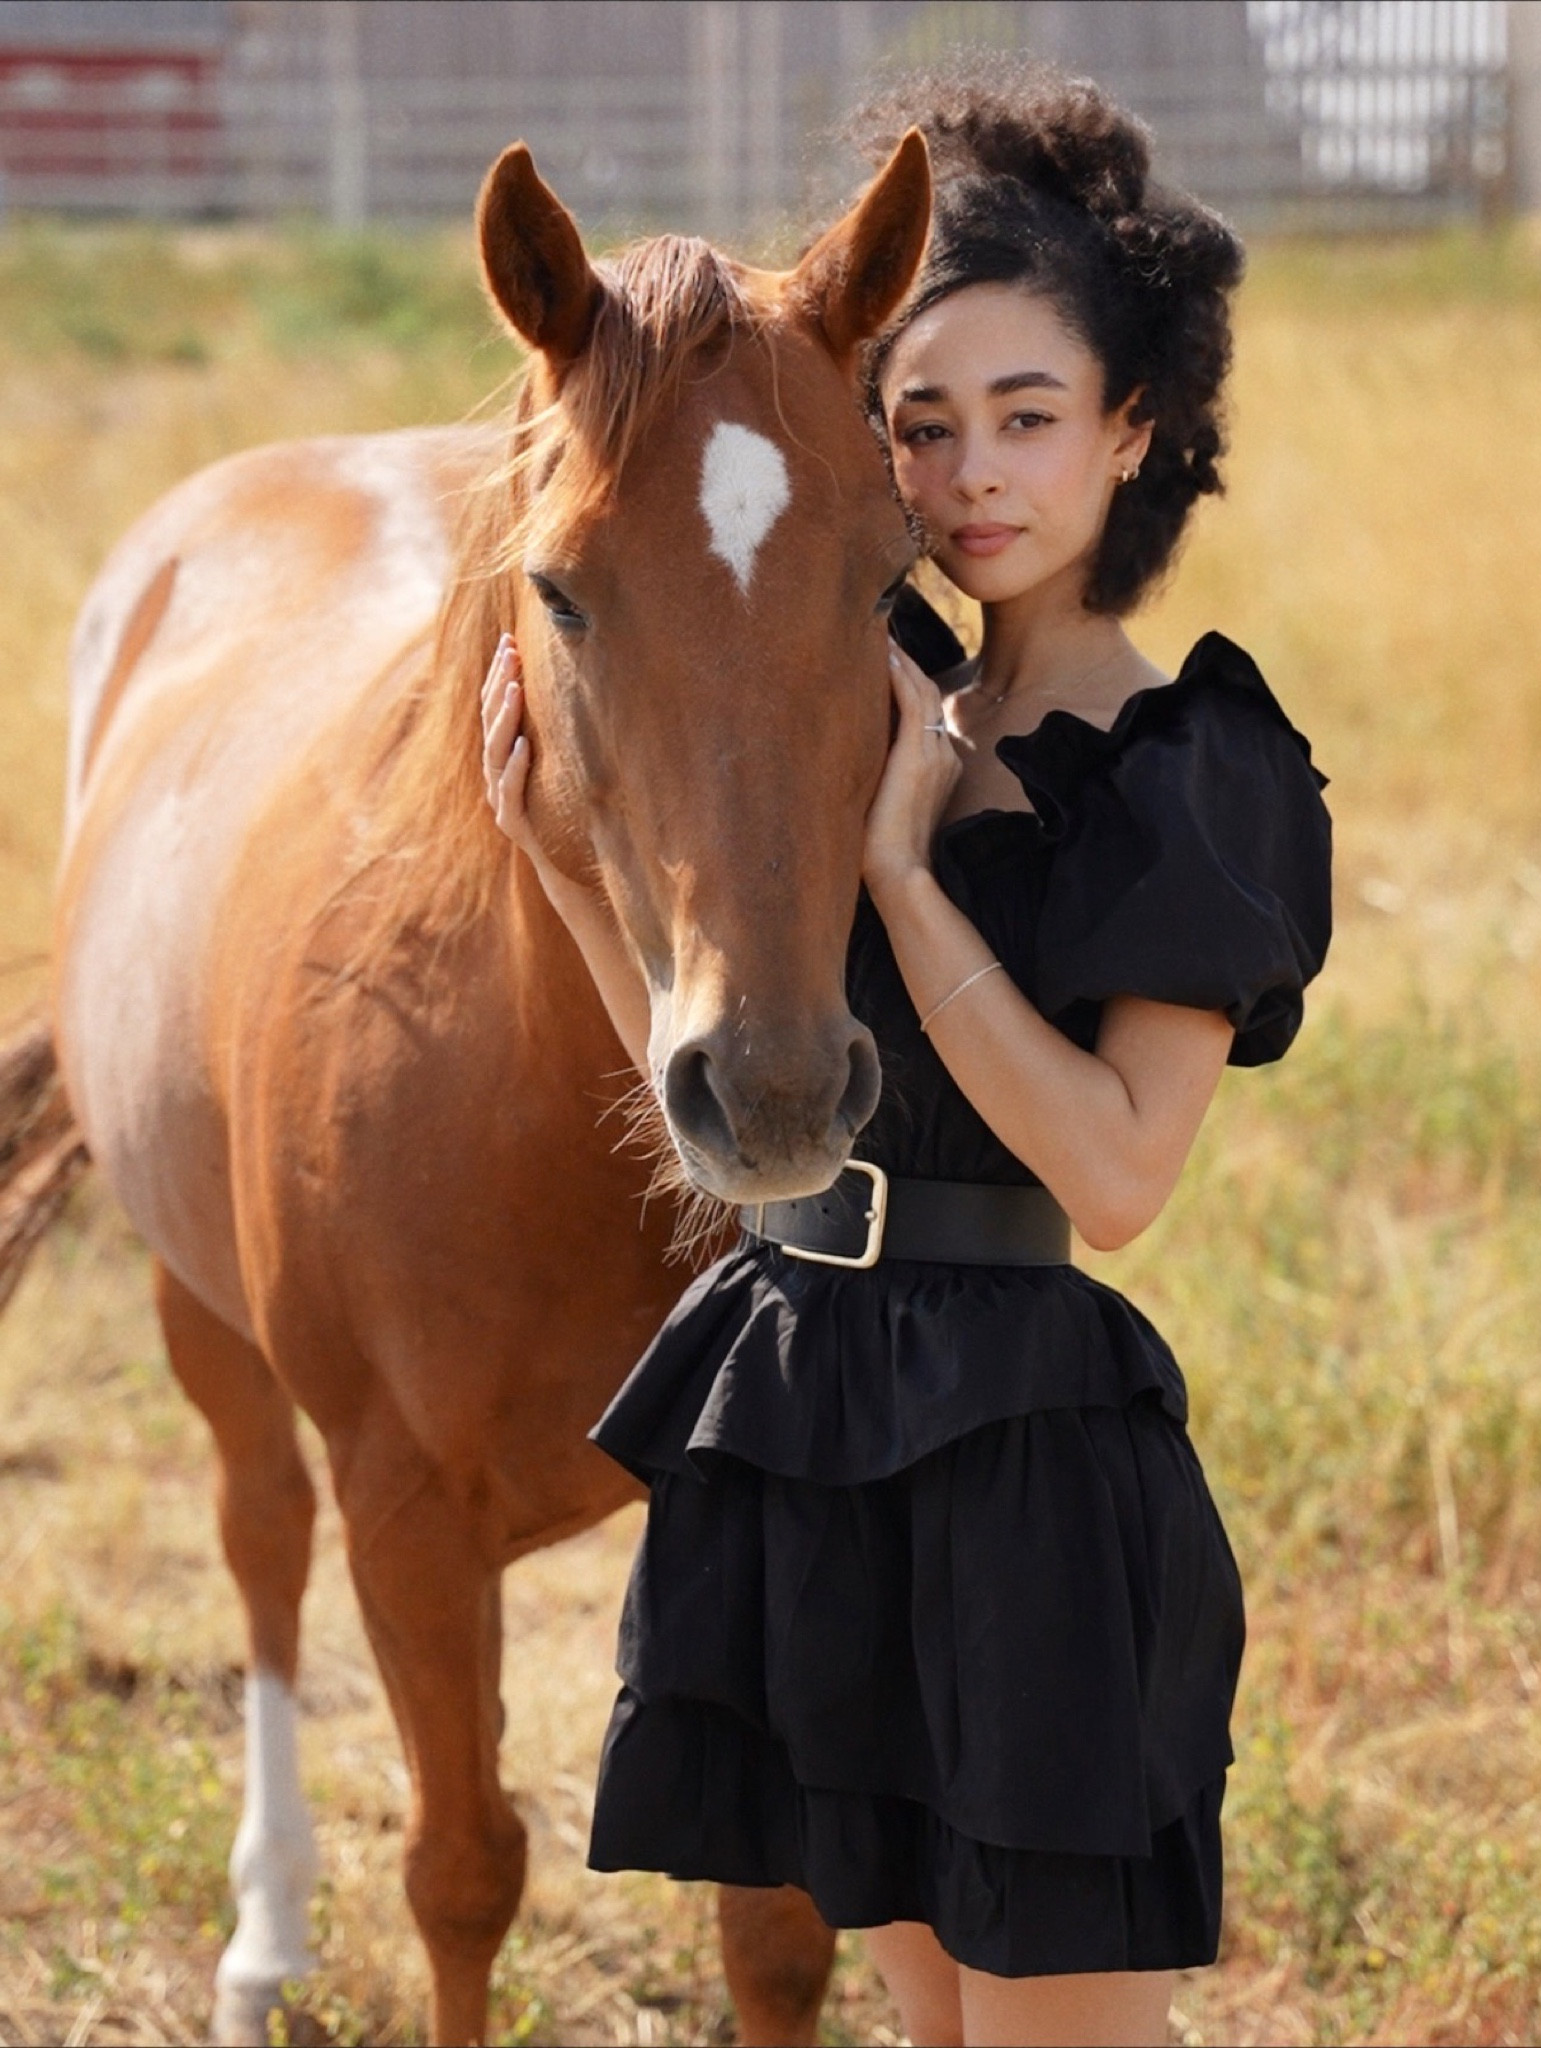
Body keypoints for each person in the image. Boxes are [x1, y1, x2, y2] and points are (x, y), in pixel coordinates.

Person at [480, 59, 1331, 2048]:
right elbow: (737, 1105)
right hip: (822, 1422)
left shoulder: (1188, 767)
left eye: (1028, 416)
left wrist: (906, 880)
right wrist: (567, 871)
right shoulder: (878, 690)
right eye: (924, 424)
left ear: (1133, 430)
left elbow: (1116, 1177)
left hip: (1025, 1461)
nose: (971, 476)